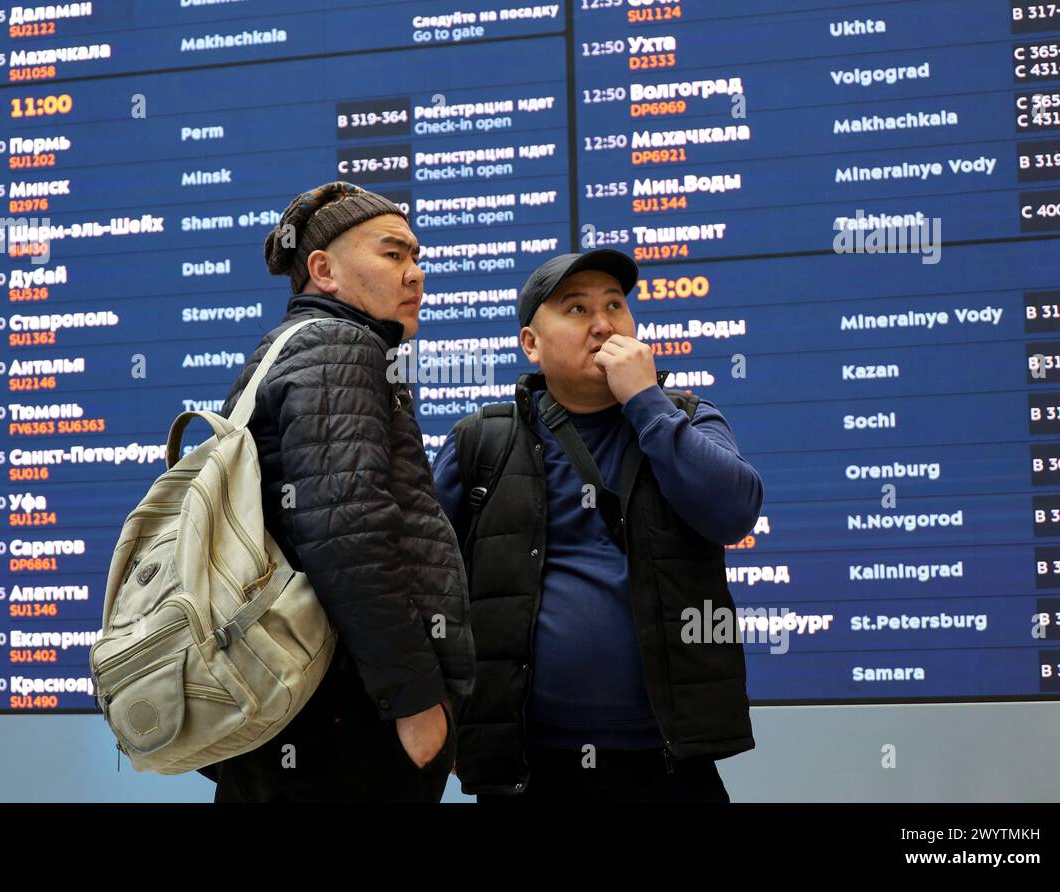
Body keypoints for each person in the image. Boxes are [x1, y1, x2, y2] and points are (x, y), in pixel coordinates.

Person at [431, 248, 763, 802]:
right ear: (531, 345)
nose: (604, 323)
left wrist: (646, 401)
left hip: (668, 760)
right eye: (577, 309)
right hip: (527, 767)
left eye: (615, 305)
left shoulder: (685, 418)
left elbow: (733, 513)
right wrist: (446, 717)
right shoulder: (479, 442)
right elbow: (426, 581)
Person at [204, 181, 474, 802]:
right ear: (322, 269)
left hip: (295, 704)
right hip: (344, 716)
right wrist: (414, 703)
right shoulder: (341, 346)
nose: (416, 274)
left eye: (416, 257)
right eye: (393, 254)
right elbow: (348, 537)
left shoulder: (290, 349)